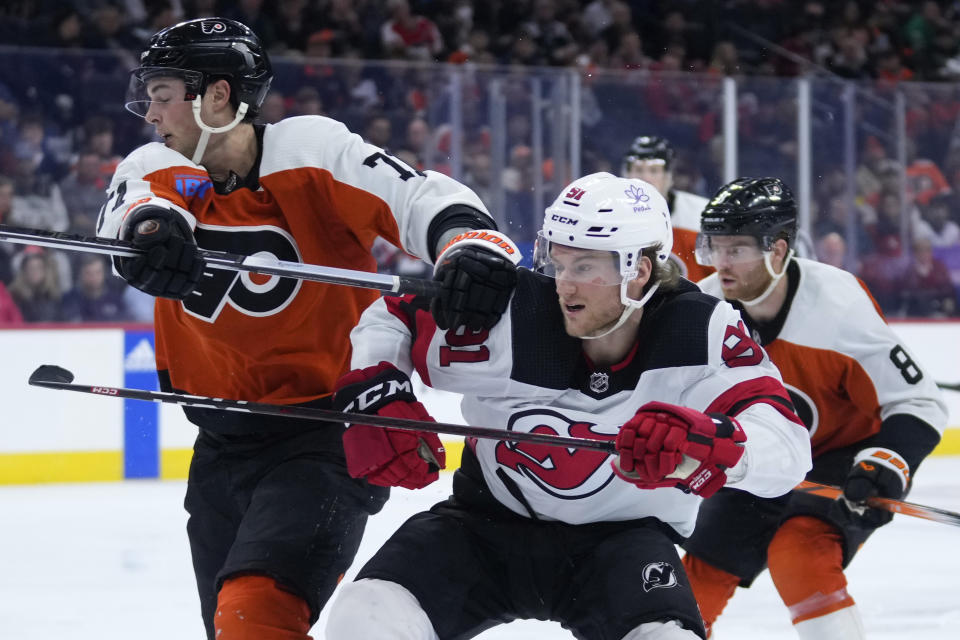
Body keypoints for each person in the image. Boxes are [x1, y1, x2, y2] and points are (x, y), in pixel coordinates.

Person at [94, 17, 519, 640]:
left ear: (218, 96)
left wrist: (467, 243)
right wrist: (151, 232)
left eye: (162, 95)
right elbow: (137, 208)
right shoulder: (168, 166)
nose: (151, 114)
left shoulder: (310, 152)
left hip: (324, 436)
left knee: (255, 614)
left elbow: (415, 197)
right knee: (231, 623)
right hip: (218, 444)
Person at [324, 173, 812, 640]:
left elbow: (788, 450)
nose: (564, 284)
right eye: (558, 263)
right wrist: (377, 390)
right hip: (482, 528)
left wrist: (714, 445)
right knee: (363, 615)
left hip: (621, 546)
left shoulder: (702, 333)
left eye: (584, 267)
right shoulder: (511, 313)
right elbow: (392, 315)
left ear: (638, 270)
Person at [683, 177, 947, 639]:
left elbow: (919, 401)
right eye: (714, 247)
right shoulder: (702, 310)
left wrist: (889, 461)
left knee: (800, 557)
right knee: (693, 581)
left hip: (837, 457)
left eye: (737, 250)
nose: (720, 264)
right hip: (755, 459)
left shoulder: (838, 305)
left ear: (779, 250)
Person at [621, 135, 712, 281]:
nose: (645, 178)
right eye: (638, 170)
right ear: (626, 175)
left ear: (668, 176)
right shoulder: (611, 217)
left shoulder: (700, 215)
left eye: (654, 171)